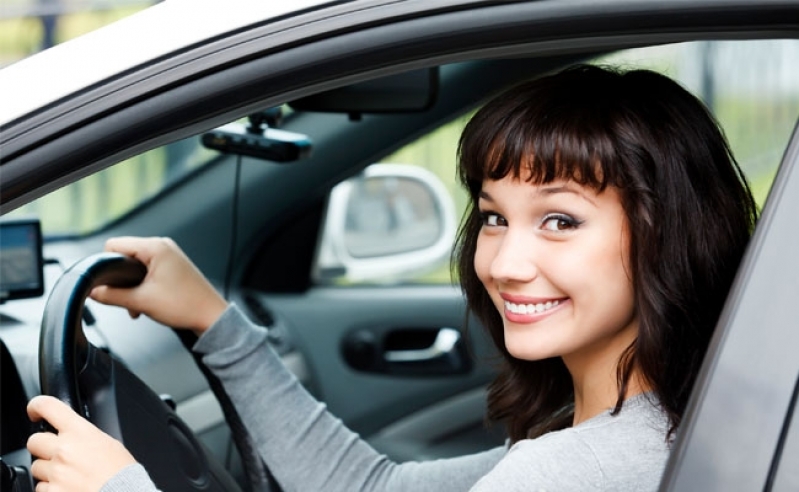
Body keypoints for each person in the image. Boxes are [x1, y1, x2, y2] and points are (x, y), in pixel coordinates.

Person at [26, 64, 757, 491]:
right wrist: (214, 320)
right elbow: (369, 489)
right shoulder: (639, 432)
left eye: (559, 220)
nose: (503, 262)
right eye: (495, 216)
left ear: (667, 234)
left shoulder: (577, 470)